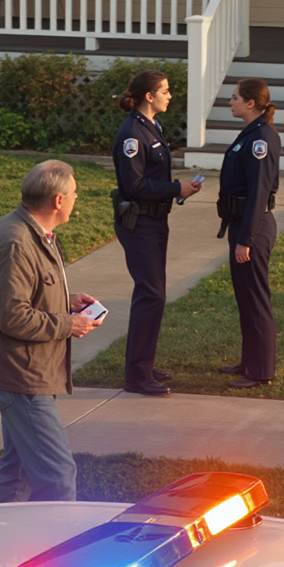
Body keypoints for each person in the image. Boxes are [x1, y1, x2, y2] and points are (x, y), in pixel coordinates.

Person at [0, 159, 102, 503]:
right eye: (74, 193)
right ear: (58, 200)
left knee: (19, 467)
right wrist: (68, 323)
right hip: (20, 376)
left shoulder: (33, 233)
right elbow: (12, 316)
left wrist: (64, 300)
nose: (76, 199)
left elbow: (27, 292)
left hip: (23, 370)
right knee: (57, 476)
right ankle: (56, 551)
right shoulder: (16, 242)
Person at [112, 69, 201, 397]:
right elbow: (135, 185)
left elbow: (152, 179)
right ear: (149, 97)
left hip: (155, 221)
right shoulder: (133, 134)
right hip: (140, 225)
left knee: (152, 294)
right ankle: (137, 376)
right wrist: (177, 186)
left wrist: (177, 191)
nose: (169, 95)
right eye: (164, 91)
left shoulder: (151, 126)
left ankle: (143, 364)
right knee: (152, 294)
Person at [216, 78, 281, 389]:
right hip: (241, 223)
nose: (231, 102)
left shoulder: (261, 139)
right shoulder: (251, 133)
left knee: (256, 299)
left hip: (252, 227)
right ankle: (249, 361)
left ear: (250, 103)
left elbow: (258, 192)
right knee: (245, 297)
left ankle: (261, 371)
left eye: (234, 98)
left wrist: (246, 239)